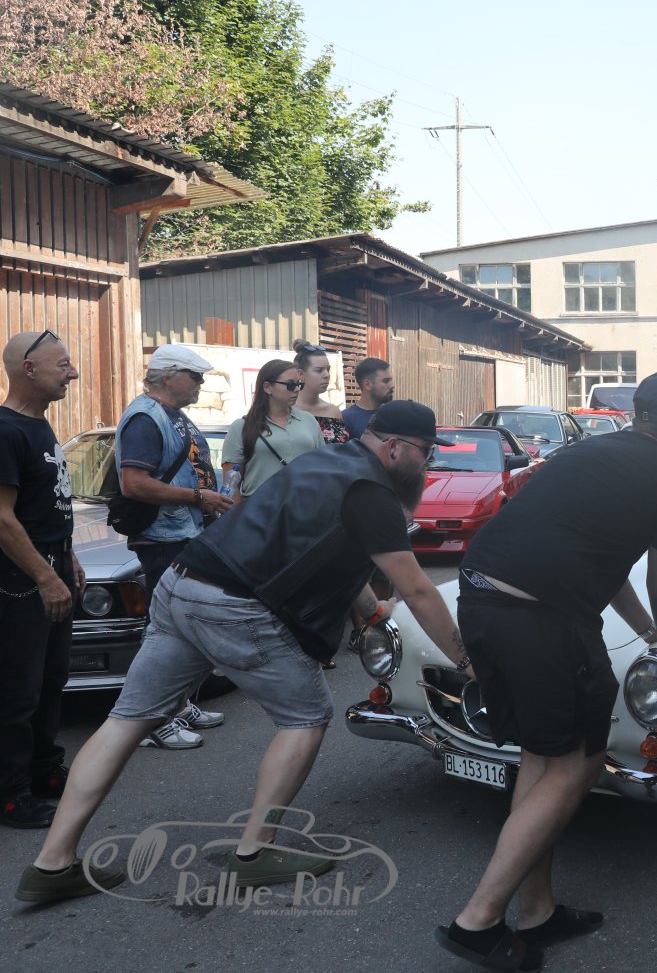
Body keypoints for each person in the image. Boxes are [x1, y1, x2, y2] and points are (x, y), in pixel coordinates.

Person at [15, 401, 471, 904]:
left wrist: (371, 613)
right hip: (234, 603)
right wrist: (467, 664)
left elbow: (331, 550)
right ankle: (255, 852)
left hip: (181, 584)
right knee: (305, 717)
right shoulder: (373, 493)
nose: (428, 463)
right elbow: (419, 591)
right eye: (427, 452)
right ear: (396, 448)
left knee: (127, 719)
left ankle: (52, 862)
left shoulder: (324, 461)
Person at [440, 371, 657, 970]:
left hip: (480, 599)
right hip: (541, 618)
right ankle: (478, 921)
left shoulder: (587, 453)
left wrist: (649, 633)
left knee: (543, 756)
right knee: (580, 763)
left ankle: (537, 911)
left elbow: (601, 559)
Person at [113, 345, 234, 749]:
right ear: (168, 376)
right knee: (162, 632)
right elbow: (134, 484)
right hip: (164, 539)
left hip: (182, 534)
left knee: (182, 627)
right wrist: (199, 498)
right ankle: (151, 721)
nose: (201, 383)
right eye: (195, 376)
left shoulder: (171, 415)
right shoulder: (146, 418)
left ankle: (177, 705)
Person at [0, 331, 82, 829]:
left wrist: (69, 559)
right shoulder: (5, 430)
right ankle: (11, 794)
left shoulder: (39, 425)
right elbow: (3, 519)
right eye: (63, 364)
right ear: (29, 370)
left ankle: (44, 771)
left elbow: (48, 505)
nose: (73, 372)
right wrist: (46, 576)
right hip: (22, 578)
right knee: (18, 688)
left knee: (52, 679)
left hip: (53, 566)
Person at [221, 359, 324, 497]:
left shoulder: (308, 420)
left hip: (304, 505)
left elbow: (322, 466)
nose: (296, 390)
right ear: (267, 387)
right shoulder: (241, 427)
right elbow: (230, 485)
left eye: (299, 384)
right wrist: (238, 510)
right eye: (290, 385)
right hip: (259, 507)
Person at [293, 340, 350, 444]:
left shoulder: (334, 412)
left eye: (328, 369)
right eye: (319, 370)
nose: (327, 375)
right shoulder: (286, 410)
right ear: (300, 374)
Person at [342, 357, 394, 440]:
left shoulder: (394, 414)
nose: (392, 385)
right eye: (386, 381)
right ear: (367, 384)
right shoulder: (346, 419)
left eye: (391, 380)